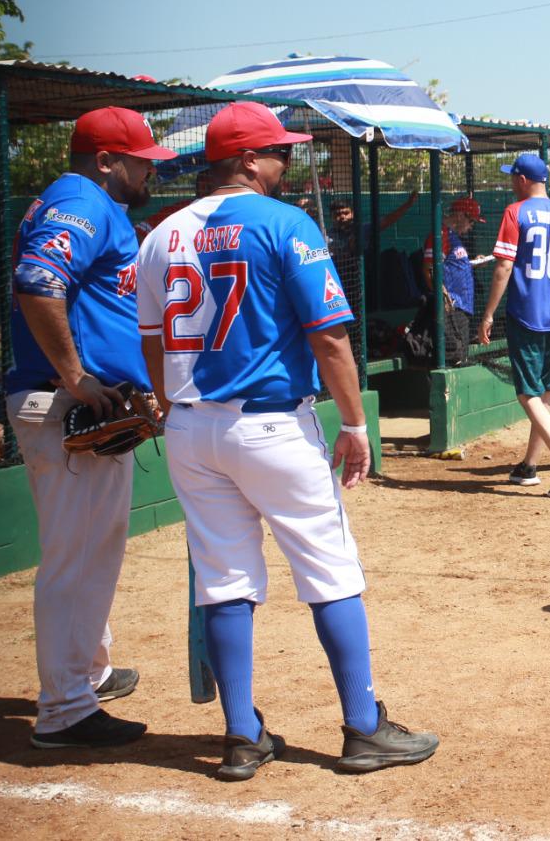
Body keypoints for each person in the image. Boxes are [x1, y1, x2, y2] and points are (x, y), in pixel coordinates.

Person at [136, 101, 437, 780]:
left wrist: (171, 406)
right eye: (281, 152)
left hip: (189, 425)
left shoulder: (160, 233)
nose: (286, 163)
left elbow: (152, 343)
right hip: (272, 424)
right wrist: (356, 426)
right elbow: (328, 335)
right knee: (330, 571)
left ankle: (242, 737)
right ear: (246, 159)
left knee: (223, 580)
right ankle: (364, 728)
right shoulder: (285, 223)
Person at [6, 107, 176, 749]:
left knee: (92, 551)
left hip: (87, 404)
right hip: (65, 403)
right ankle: (65, 711)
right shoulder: (81, 199)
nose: (148, 173)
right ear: (107, 160)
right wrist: (77, 377)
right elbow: (37, 280)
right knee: (75, 561)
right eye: (140, 162)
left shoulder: (88, 202)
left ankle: (89, 674)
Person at [477, 153, 550, 498]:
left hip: (526, 313)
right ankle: (529, 465)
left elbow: (503, 267)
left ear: (523, 180)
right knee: (544, 392)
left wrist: (487, 314)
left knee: (527, 393)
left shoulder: (516, 212)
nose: (510, 183)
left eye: (512, 178)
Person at [421, 195, 485, 367]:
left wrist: (471, 264)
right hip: (451, 307)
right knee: (454, 358)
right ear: (460, 215)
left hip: (461, 307)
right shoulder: (440, 234)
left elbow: (450, 266)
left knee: (461, 356)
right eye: (471, 221)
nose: (471, 226)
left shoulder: (454, 238)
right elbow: (429, 268)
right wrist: (441, 294)